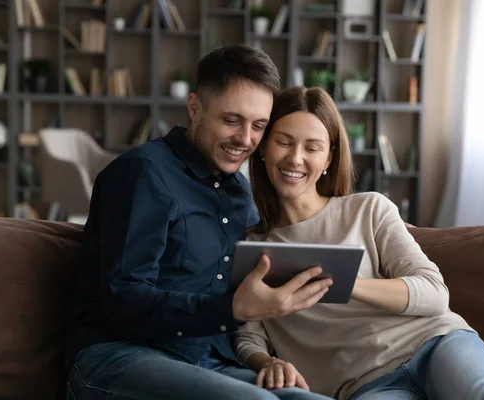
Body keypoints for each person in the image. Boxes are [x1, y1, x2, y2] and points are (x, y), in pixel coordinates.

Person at [233, 86, 484, 400]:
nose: (296, 158)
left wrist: (349, 283)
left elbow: (433, 292)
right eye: (284, 142)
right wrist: (266, 362)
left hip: (433, 344)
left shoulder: (368, 209)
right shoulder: (254, 245)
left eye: (312, 147)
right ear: (263, 148)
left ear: (328, 158)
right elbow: (249, 332)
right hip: (363, 384)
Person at [64, 45, 333, 400]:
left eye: (259, 126)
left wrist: (265, 359)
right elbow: (121, 299)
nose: (245, 139)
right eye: (231, 120)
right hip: (116, 356)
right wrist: (231, 309)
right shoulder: (143, 174)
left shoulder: (240, 192)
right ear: (195, 108)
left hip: (208, 361)